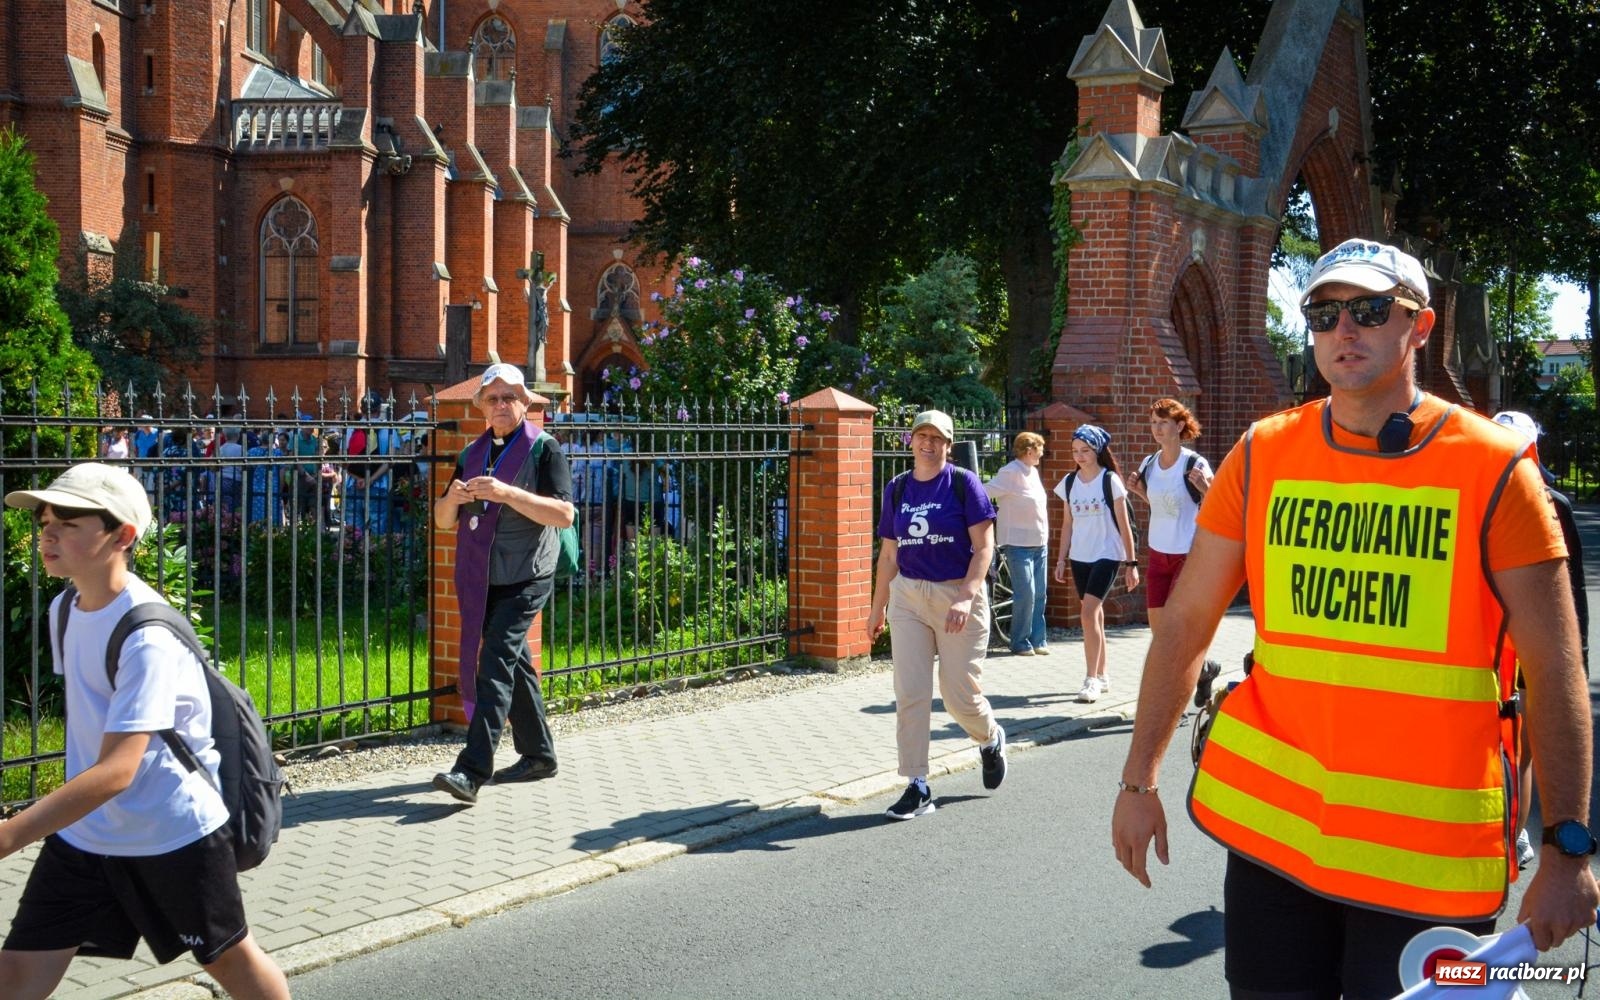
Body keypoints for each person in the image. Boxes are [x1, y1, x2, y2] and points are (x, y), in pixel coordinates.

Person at [1110, 239, 1599, 999]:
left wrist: (1567, 849)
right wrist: (1138, 780)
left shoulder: (1495, 469)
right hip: (1278, 844)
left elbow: (1556, 670)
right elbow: (1185, 624)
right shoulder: (1264, 453)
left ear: (1421, 325)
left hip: (1426, 861)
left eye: (1371, 311)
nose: (1345, 329)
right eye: (1324, 312)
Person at [0, 463, 289, 1000]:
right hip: (86, 834)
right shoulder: (64, 609)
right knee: (15, 975)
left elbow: (117, 770)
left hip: (171, 834)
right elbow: (92, 723)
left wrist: (13, 832)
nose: (48, 534)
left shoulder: (146, 634)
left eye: (68, 522)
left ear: (123, 536)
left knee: (231, 961)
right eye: (44, 521)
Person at [431, 363, 575, 804]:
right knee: (514, 664)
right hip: (484, 575)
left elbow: (564, 515)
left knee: (493, 664)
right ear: (481, 407)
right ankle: (539, 755)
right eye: (492, 398)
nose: (500, 405)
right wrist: (451, 499)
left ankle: (471, 771)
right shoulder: (471, 453)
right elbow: (441, 523)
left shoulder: (544, 449)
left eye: (509, 397)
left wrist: (508, 493)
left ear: (524, 403)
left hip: (529, 573)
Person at [866, 409, 1007, 820]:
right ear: (910, 441)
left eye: (937, 438)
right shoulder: (896, 489)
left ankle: (989, 738)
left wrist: (965, 596)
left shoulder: (964, 484)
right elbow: (889, 554)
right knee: (910, 692)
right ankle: (917, 784)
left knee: (959, 696)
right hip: (908, 597)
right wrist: (878, 609)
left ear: (948, 444)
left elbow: (984, 548)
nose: (928, 444)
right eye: (921, 436)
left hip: (956, 595)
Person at [1492, 409, 1590, 869]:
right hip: (1516, 649)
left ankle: (1510, 836)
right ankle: (1512, 837)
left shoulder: (1482, 497)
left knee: (1511, 752)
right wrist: (1578, 652)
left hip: (1505, 648)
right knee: (1516, 753)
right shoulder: (1550, 502)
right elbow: (1570, 596)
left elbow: (1568, 594)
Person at [1052, 425, 1138, 703]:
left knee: (1088, 613)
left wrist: (1131, 562)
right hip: (1079, 556)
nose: (1080, 456)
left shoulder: (1109, 480)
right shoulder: (1068, 483)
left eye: (1085, 450)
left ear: (1097, 450)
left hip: (1107, 554)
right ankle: (1102, 673)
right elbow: (1067, 524)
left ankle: (1090, 680)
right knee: (1095, 614)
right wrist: (1061, 558)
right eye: (1075, 451)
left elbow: (1125, 526)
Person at [1125, 398, 1212, 637]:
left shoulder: (1195, 463)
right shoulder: (1149, 463)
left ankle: (1192, 668)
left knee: (1177, 623)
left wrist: (1205, 487)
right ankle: (1199, 668)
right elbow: (1162, 506)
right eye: (1153, 422)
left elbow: (1220, 505)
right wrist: (1140, 491)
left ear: (1180, 425)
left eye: (1164, 422)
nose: (1157, 428)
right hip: (1157, 554)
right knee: (1157, 628)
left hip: (1185, 554)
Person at [984, 430, 1051, 656]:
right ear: (1029, 450)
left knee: (1040, 592)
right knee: (1026, 593)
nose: (1042, 454)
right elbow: (985, 491)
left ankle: (1038, 639)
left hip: (1039, 541)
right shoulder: (1010, 472)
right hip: (1018, 542)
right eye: (1039, 450)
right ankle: (1019, 642)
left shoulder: (1032, 472)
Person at [344, 393, 396, 534]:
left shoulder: (351, 429)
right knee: (377, 529)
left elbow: (344, 460)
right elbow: (390, 461)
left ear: (362, 409)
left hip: (353, 484)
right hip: (379, 485)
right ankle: (376, 556)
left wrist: (359, 478)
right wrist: (370, 479)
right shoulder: (388, 429)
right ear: (379, 409)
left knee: (354, 530)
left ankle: (353, 556)